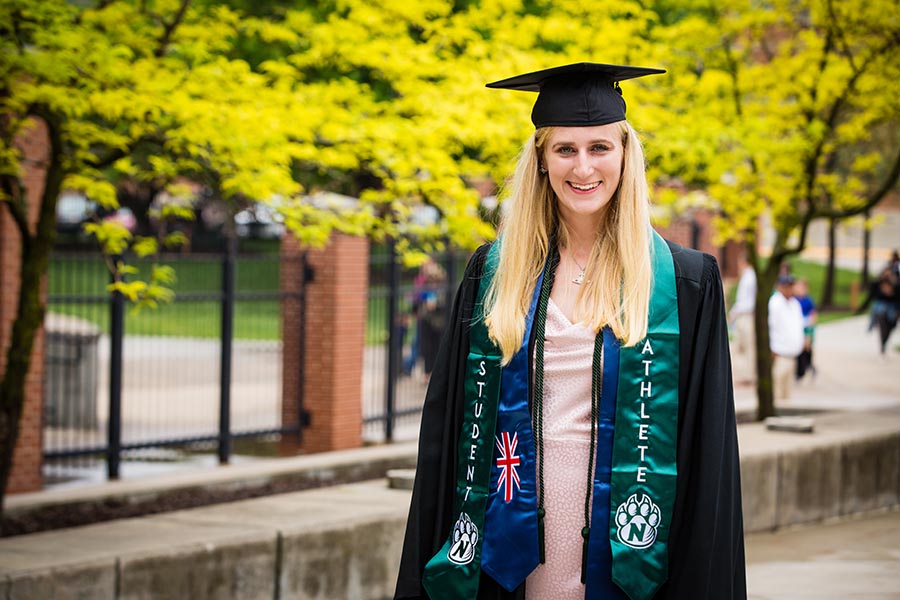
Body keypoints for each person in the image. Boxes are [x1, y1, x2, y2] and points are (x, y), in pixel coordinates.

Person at [396, 63, 745, 600]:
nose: (583, 167)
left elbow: (708, 451)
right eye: (565, 149)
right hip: (508, 547)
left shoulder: (682, 282)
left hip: (632, 548)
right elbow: (447, 434)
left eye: (599, 147)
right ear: (540, 159)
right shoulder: (494, 274)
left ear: (625, 155)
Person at [767, 274, 805, 401]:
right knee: (778, 390)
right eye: (786, 286)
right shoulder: (775, 303)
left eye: (791, 286)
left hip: (792, 353)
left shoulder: (795, 304)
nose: (789, 289)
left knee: (787, 393)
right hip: (780, 353)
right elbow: (771, 326)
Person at [858, 266, 899, 357]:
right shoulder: (877, 284)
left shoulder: (896, 285)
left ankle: (884, 343)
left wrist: (891, 292)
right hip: (881, 306)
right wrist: (883, 292)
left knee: (890, 326)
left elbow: (897, 298)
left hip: (892, 308)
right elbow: (872, 297)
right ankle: (872, 325)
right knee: (879, 310)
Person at [729, 254, 757, 385]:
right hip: (742, 315)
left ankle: (748, 376)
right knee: (739, 346)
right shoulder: (748, 276)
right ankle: (744, 374)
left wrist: (734, 312)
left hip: (746, 315)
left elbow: (747, 301)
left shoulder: (750, 277)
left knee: (747, 347)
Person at [793, 278, 817, 381]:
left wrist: (810, 327)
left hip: (806, 327)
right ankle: (801, 370)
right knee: (799, 349)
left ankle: (808, 365)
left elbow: (813, 314)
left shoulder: (808, 300)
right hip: (797, 327)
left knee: (806, 348)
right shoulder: (794, 300)